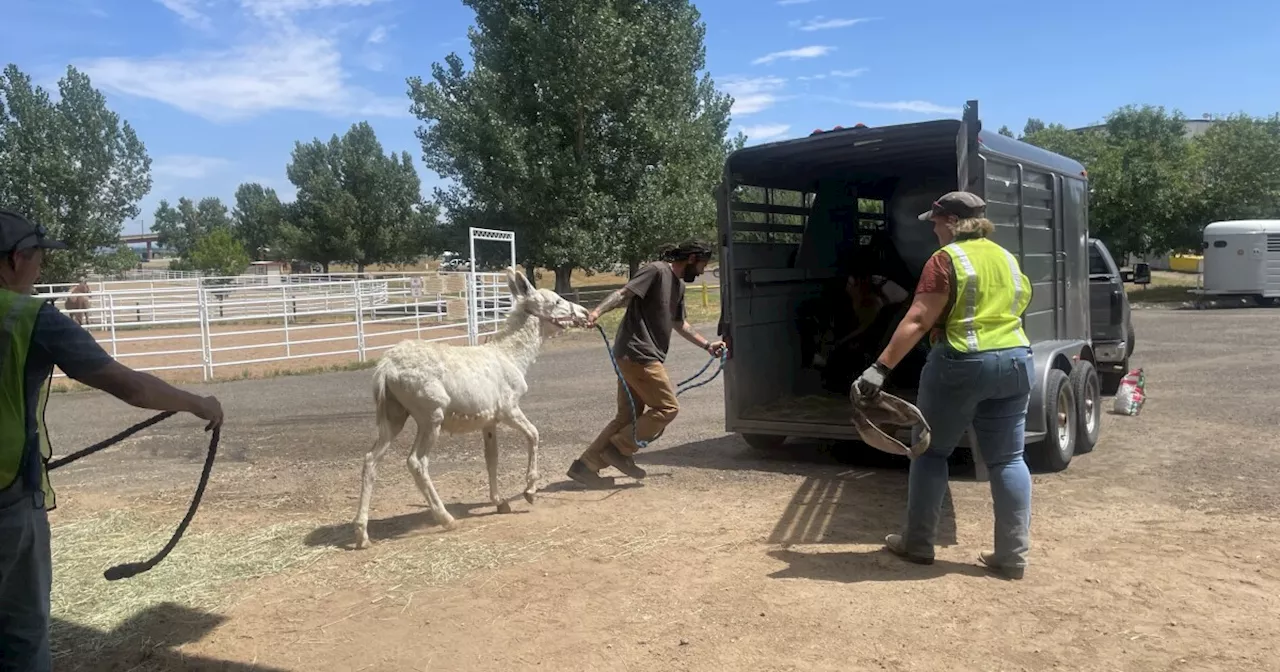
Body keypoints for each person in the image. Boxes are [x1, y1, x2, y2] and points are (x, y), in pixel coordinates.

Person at [0, 209, 224, 670]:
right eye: (39, 257)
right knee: (22, 633)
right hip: (9, 502)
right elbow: (132, 387)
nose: (41, 269)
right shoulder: (30, 318)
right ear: (14, 260)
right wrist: (199, 403)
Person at [851, 191, 1035, 580]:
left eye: (934, 221)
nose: (932, 229)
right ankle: (1012, 556)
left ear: (950, 221)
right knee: (1008, 459)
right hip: (1017, 359)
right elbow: (1019, 303)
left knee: (930, 452)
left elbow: (918, 318)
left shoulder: (946, 259)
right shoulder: (1006, 257)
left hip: (961, 362)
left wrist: (880, 369)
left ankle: (918, 544)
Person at [567, 240, 727, 488]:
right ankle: (619, 449)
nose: (702, 271)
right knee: (667, 407)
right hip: (638, 353)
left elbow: (679, 323)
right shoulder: (656, 270)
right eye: (702, 265)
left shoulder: (679, 286)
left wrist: (707, 345)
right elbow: (624, 293)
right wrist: (597, 312)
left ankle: (585, 466)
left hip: (635, 355)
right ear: (693, 258)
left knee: (626, 417)